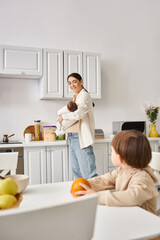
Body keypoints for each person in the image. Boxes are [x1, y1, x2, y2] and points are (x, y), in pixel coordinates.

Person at [74, 130, 159, 214]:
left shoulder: (143, 178)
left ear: (119, 158)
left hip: (145, 221)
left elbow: (133, 197)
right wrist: (85, 184)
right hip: (129, 215)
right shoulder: (122, 170)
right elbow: (106, 179)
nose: (111, 154)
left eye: (112, 151)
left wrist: (98, 197)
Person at [57, 72, 98, 179]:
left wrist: (63, 117)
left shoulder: (84, 95)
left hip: (80, 138)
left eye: (74, 82)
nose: (72, 85)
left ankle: (93, 195)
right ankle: (81, 194)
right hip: (72, 136)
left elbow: (78, 115)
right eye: (69, 83)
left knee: (89, 174)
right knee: (77, 173)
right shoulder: (76, 96)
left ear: (81, 82)